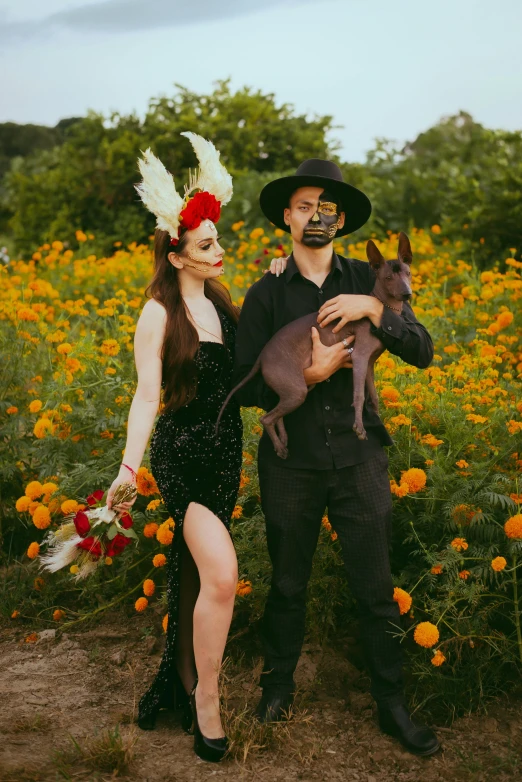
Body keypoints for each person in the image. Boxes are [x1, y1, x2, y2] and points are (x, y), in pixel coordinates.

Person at [232, 159, 440, 756]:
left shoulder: (371, 278)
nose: (315, 215)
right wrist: (311, 371)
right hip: (291, 462)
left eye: (326, 207)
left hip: (360, 458)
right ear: (288, 219)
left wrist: (376, 311)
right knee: (287, 583)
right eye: (303, 205)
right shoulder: (267, 291)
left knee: (375, 587)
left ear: (340, 219)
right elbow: (245, 386)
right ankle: (277, 689)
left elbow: (422, 350)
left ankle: (392, 703)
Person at [105, 132, 285, 763]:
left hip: (225, 456)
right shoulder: (159, 313)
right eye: (208, 245)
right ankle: (207, 698)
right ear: (178, 255)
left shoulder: (224, 304)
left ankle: (183, 681)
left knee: (194, 578)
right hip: (183, 456)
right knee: (224, 576)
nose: (221, 250)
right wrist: (129, 467)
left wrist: (280, 283)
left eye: (218, 240)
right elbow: (146, 397)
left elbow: (257, 369)